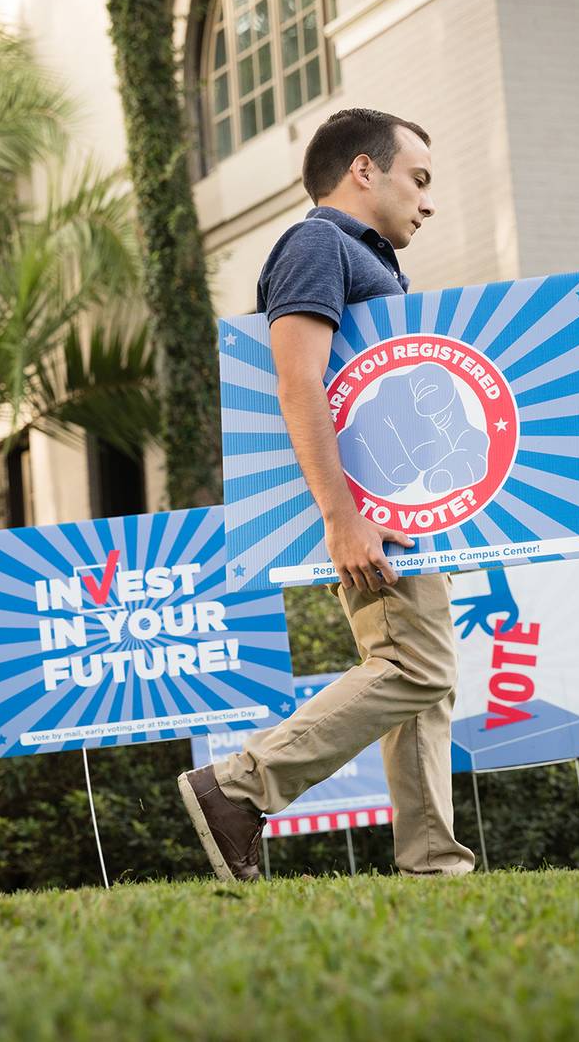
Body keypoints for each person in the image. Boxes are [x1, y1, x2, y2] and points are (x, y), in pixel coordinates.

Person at [178, 107, 477, 880]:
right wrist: (343, 520)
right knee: (418, 669)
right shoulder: (317, 243)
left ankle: (430, 860)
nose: (429, 199)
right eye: (419, 179)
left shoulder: (358, 256)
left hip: (394, 508)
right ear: (363, 170)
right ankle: (238, 787)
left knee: (419, 680)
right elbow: (296, 381)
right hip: (363, 513)